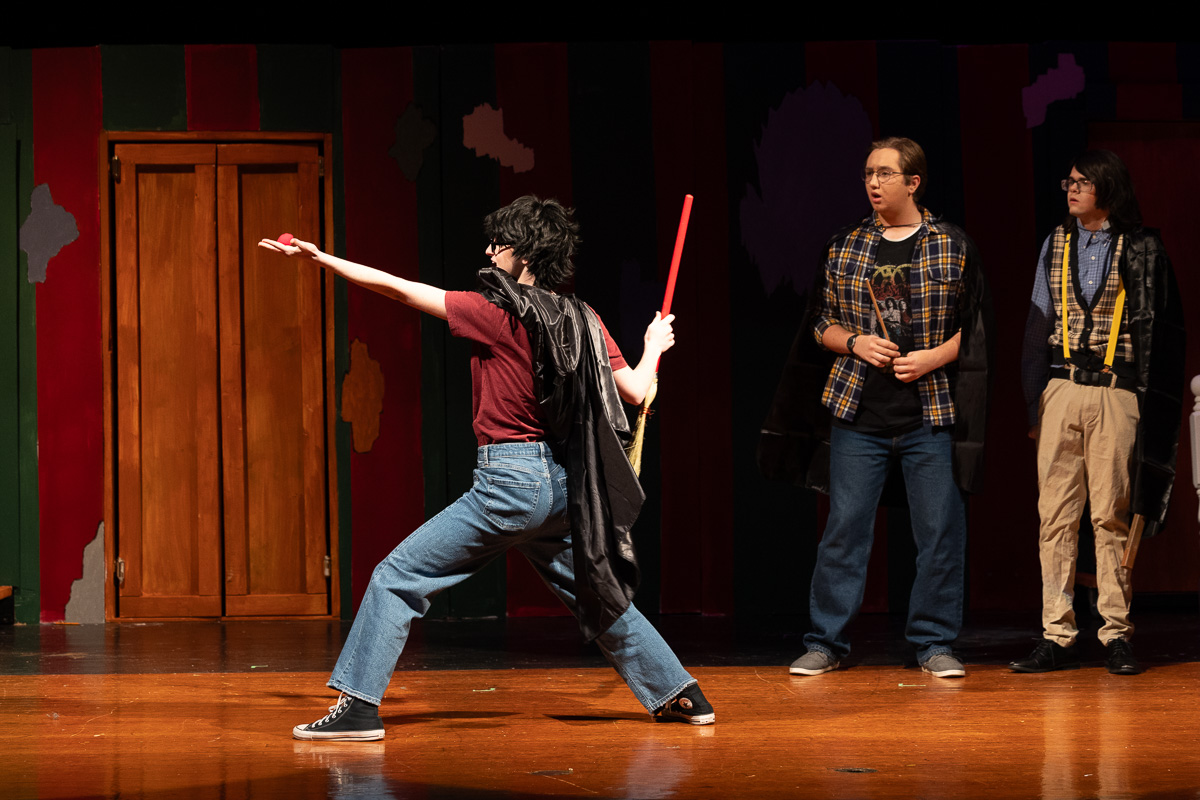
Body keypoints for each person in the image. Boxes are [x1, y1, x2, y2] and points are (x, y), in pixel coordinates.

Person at [261, 196, 714, 741]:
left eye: (498, 244)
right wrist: (651, 346)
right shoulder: (585, 318)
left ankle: (357, 710)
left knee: (397, 577)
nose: (489, 252)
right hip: (562, 489)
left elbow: (400, 289)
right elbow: (637, 390)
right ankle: (680, 694)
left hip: (512, 484)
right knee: (598, 591)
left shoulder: (496, 313)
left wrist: (322, 259)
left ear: (524, 253)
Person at [765, 137, 991, 680]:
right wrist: (855, 343)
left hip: (928, 414)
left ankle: (934, 643)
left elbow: (979, 329)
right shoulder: (846, 245)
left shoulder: (951, 245)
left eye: (885, 174)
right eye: (869, 172)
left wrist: (933, 357)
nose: (873, 182)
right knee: (844, 531)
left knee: (939, 533)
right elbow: (819, 322)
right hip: (858, 414)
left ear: (913, 182)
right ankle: (826, 641)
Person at [1012, 150, 1185, 676]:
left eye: (1082, 182)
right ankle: (1057, 633)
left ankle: (1116, 631)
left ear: (1107, 188)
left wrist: (1152, 411)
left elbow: (1165, 336)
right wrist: (1035, 404)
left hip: (1116, 391)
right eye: (1069, 181)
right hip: (1063, 388)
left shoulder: (1142, 248)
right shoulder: (1055, 243)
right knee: (1055, 516)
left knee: (1111, 515)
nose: (1071, 189)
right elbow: (1037, 326)